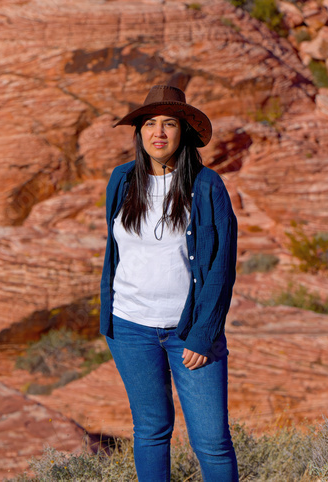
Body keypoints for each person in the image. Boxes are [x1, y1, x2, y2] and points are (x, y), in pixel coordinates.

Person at [99, 84, 238, 481]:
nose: (158, 132)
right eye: (150, 123)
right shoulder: (122, 180)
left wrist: (203, 334)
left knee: (212, 441)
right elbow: (116, 252)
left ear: (184, 133)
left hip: (189, 334)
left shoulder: (208, 186)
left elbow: (221, 269)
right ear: (139, 132)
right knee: (150, 431)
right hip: (129, 328)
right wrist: (109, 322)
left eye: (169, 123)